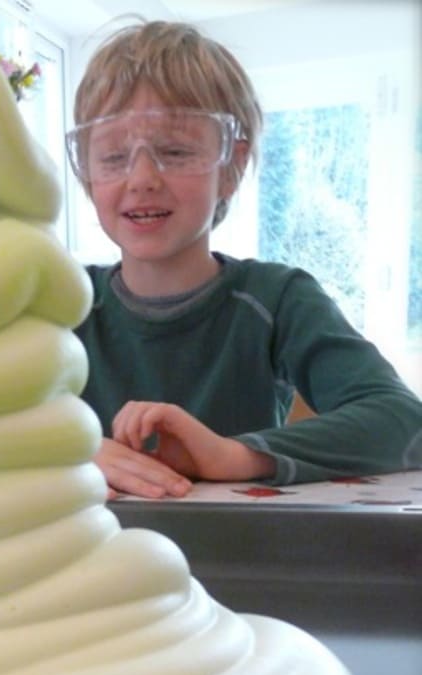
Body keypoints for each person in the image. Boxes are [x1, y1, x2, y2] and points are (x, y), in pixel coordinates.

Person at [65, 20, 422, 499]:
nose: (142, 177)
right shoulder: (65, 305)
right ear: (87, 174)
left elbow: (401, 421)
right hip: (89, 561)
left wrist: (228, 455)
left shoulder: (277, 298)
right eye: (112, 156)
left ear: (231, 167)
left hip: (240, 560)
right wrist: (67, 449)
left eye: (174, 151)